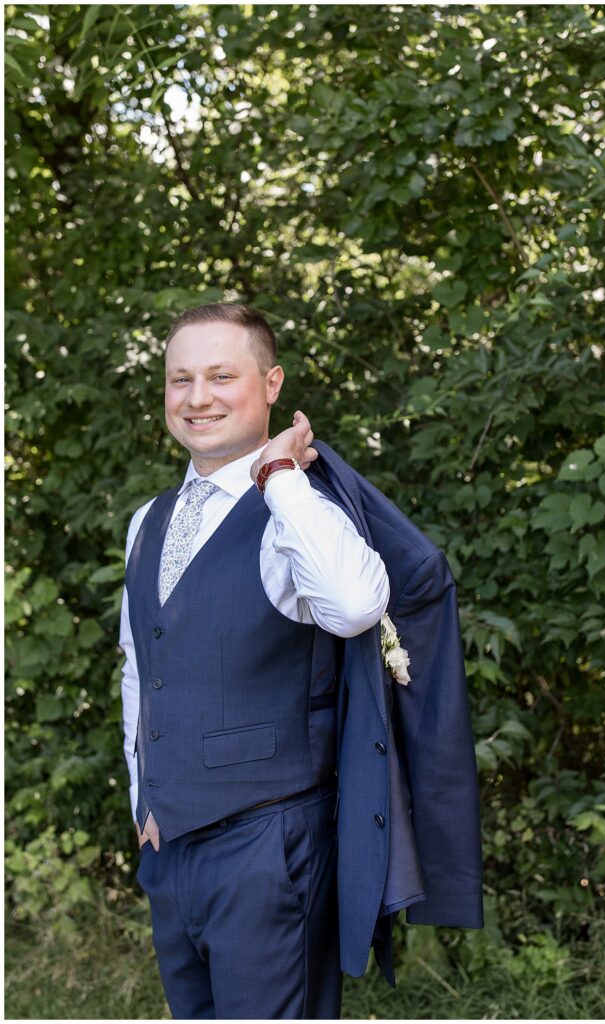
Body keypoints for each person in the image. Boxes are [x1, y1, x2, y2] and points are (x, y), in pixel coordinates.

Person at [119, 302, 483, 1020]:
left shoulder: (299, 507)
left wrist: (280, 473)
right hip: (170, 850)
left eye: (222, 375)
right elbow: (142, 668)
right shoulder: (147, 521)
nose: (198, 397)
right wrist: (144, 800)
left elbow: (354, 605)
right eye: (179, 378)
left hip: (269, 847)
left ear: (272, 383)